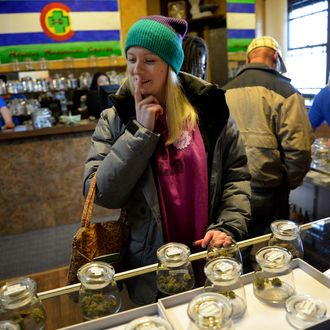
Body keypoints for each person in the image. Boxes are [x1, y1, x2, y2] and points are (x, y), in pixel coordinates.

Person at [83, 15, 251, 305]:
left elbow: (236, 175)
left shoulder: (211, 112)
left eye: (149, 60)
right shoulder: (115, 119)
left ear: (170, 65)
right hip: (150, 262)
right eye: (132, 59)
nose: (137, 70)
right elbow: (101, 193)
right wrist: (140, 132)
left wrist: (227, 226)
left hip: (207, 255)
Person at [223, 36, 314, 238]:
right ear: (275, 56)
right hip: (270, 190)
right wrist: (290, 181)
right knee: (272, 251)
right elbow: (299, 148)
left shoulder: (224, 91)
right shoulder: (287, 92)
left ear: (248, 59)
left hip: (230, 191)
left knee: (237, 248)